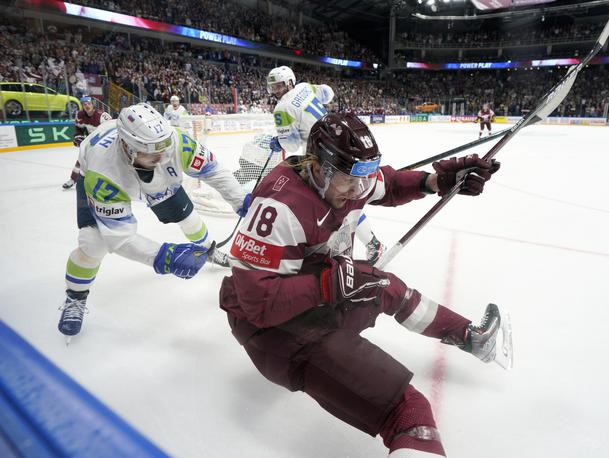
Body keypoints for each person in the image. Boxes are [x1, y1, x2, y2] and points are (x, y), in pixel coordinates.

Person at [220, 113, 505, 457]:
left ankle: (471, 337)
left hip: (316, 301)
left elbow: (390, 184)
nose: (359, 190)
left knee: (385, 287)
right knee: (410, 414)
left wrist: (436, 183)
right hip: (276, 334)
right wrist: (330, 284)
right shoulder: (280, 207)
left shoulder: (350, 178)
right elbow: (259, 306)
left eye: (365, 177)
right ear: (316, 167)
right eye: (348, 181)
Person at [60, 103, 248, 340]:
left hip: (149, 179)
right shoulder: (102, 171)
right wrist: (165, 257)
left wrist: (240, 200)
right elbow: (119, 237)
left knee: (188, 218)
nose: (162, 158)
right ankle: (75, 296)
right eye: (152, 152)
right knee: (93, 244)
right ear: (127, 147)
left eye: (165, 148)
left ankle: (208, 248)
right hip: (104, 178)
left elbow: (213, 171)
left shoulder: (176, 142)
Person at [266, 65, 386, 264]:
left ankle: (357, 245)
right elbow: (328, 93)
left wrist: (278, 142)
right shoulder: (305, 87)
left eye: (279, 86)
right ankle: (371, 243)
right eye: (274, 88)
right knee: (343, 201)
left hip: (322, 157)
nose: (277, 91)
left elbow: (291, 143)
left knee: (329, 203)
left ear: (289, 83)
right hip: (339, 144)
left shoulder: (281, 109)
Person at [63, 96, 112, 190]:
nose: (87, 106)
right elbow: (79, 131)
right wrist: (78, 138)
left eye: (89, 103)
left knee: (107, 163)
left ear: (92, 104)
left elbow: (112, 128)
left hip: (106, 142)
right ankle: (72, 180)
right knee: (81, 160)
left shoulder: (102, 115)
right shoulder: (80, 115)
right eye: (84, 104)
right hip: (92, 142)